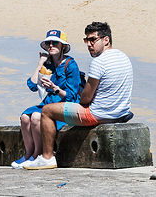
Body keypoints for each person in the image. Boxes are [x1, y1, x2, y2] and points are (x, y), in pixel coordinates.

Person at [29, 21, 133, 170]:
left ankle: (47, 157)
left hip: (98, 115)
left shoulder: (99, 62)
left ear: (106, 40)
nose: (89, 44)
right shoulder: (123, 57)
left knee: (47, 111)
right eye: (86, 40)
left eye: (93, 40)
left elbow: (85, 99)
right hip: (121, 112)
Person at [15, 30, 84, 169]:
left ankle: (37, 154)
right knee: (24, 117)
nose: (51, 45)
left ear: (63, 46)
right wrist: (41, 62)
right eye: (48, 43)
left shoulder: (70, 65)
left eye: (55, 43)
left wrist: (54, 88)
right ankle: (28, 154)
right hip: (49, 102)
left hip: (65, 104)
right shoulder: (49, 63)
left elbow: (71, 95)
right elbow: (32, 85)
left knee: (35, 117)